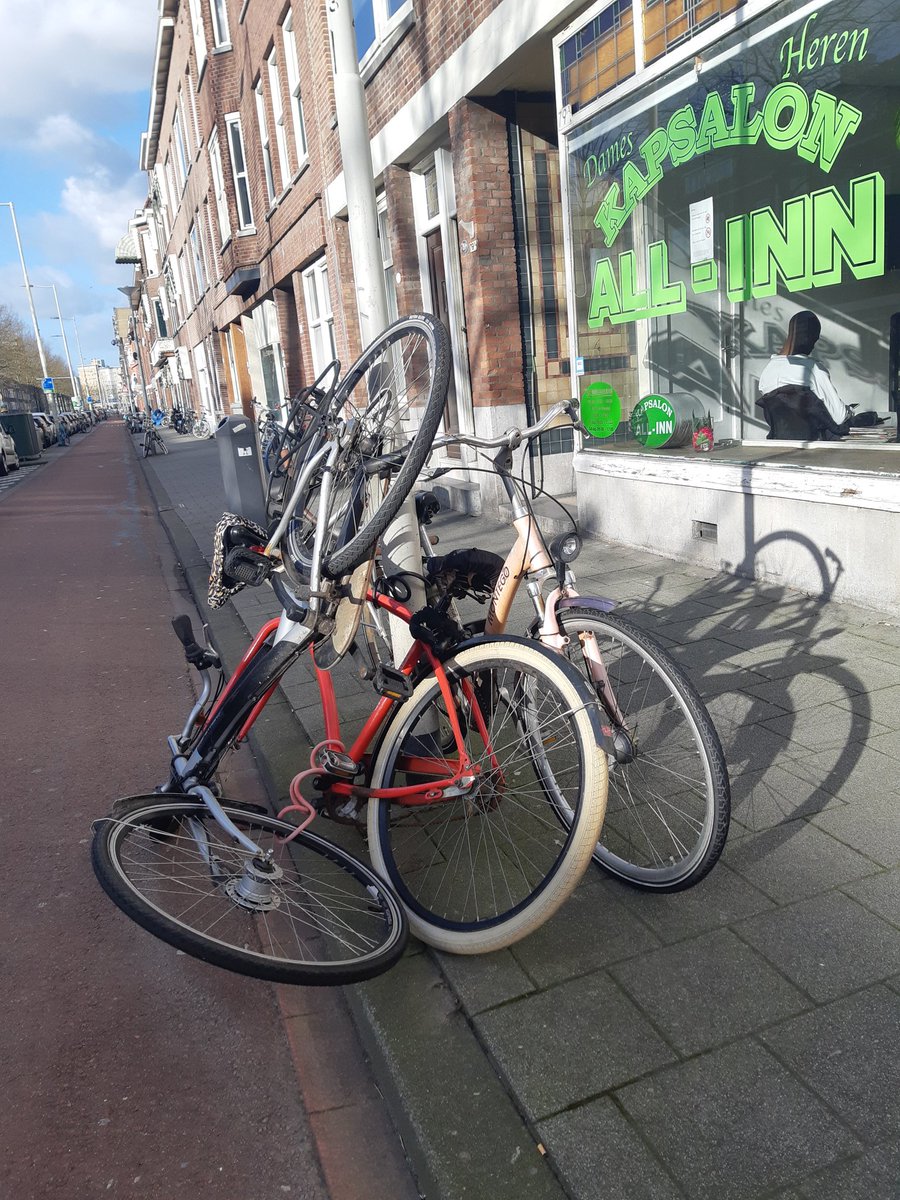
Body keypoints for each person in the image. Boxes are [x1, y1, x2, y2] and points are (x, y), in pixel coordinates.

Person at [757, 310, 850, 426]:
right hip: (814, 441)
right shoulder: (813, 369)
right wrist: (850, 411)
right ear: (809, 337)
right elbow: (839, 417)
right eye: (814, 340)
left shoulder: (768, 372)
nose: (813, 346)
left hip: (779, 440)